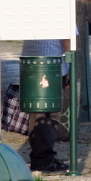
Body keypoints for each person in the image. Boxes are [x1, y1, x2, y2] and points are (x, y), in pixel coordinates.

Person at [22, 37, 71, 173]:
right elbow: (68, 39)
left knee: (36, 112)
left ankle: (39, 157)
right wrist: (71, 66)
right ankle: (43, 160)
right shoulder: (62, 15)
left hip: (30, 62)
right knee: (49, 114)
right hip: (52, 66)